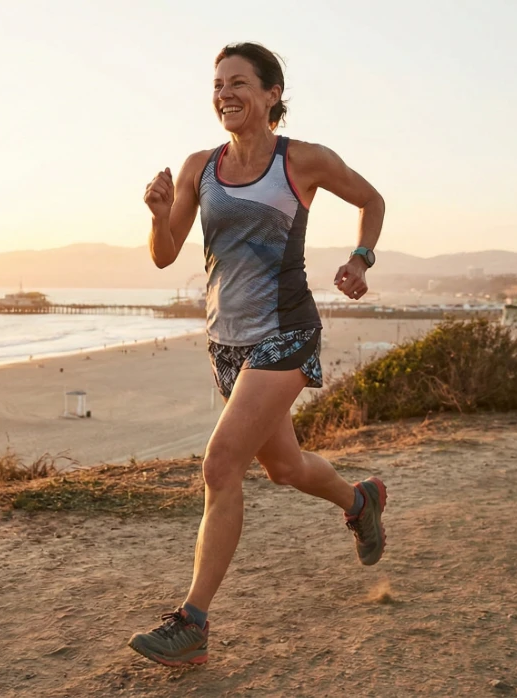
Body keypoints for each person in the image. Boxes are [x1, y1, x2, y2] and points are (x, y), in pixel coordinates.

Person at [128, 42, 388, 667]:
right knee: (286, 469)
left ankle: (192, 623)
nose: (225, 94)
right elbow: (165, 254)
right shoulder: (200, 166)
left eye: (239, 82)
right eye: (218, 84)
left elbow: (371, 201)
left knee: (220, 466)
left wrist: (360, 259)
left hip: (286, 330)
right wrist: (160, 215)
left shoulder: (303, 161)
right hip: (227, 342)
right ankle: (361, 501)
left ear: (272, 94)